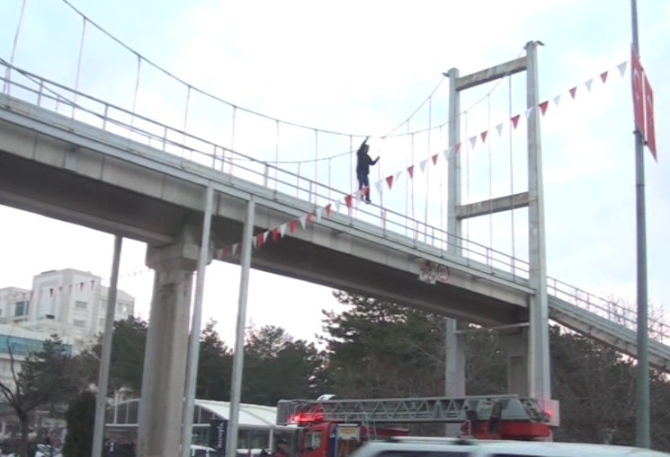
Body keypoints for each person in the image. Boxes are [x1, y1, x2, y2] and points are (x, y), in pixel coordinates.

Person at [355, 137, 380, 203]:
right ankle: (360, 196)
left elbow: (372, 163)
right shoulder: (360, 153)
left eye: (368, 149)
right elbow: (361, 146)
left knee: (367, 186)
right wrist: (365, 140)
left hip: (365, 173)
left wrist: (377, 159)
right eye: (366, 148)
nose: (367, 150)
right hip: (360, 171)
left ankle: (367, 198)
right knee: (361, 183)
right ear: (364, 148)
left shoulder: (367, 156)